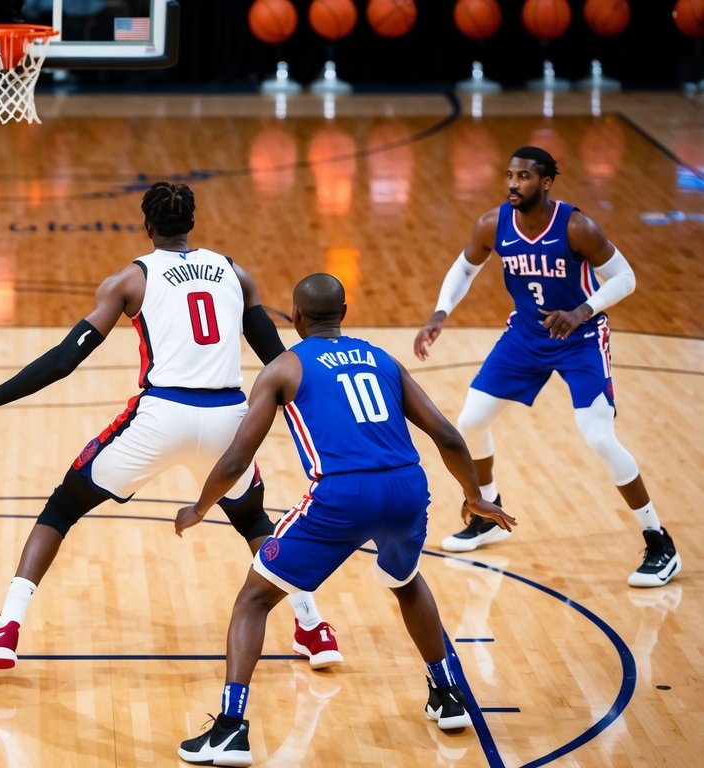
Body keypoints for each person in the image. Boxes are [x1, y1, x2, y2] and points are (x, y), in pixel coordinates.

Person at [0, 181, 344, 671]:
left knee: (64, 506)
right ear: (192, 223)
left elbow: (65, 360)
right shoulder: (236, 273)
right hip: (229, 420)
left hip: (160, 416)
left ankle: (6, 629)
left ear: (147, 226)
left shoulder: (130, 281)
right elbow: (276, 357)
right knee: (253, 519)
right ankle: (313, 629)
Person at [175, 274, 516, 766]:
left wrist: (200, 507)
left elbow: (234, 461)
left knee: (253, 599)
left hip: (341, 494)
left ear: (295, 316)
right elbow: (445, 434)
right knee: (407, 580)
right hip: (406, 489)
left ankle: (231, 729)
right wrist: (475, 495)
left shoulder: (284, 369)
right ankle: (447, 694)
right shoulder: (383, 360)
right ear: (345, 312)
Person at [414, 146, 680, 588]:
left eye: (524, 177)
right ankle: (486, 508)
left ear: (546, 183)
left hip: (580, 339)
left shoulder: (577, 226)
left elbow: (626, 278)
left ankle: (659, 540)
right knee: (471, 421)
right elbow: (463, 269)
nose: (513, 184)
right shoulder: (492, 224)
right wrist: (440, 313)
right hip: (527, 336)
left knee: (598, 437)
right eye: (510, 175)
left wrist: (582, 311)